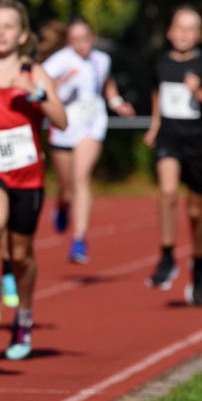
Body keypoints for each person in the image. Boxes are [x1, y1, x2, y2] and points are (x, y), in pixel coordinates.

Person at [0, 0, 66, 360]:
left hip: (27, 173)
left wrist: (37, 95)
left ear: (22, 34)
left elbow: (62, 120)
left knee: (22, 255)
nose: (2, 33)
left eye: (9, 26)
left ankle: (24, 317)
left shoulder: (34, 72)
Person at [143, 5, 202, 305]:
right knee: (167, 192)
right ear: (170, 32)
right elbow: (157, 93)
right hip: (170, 139)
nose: (183, 34)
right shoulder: (161, 63)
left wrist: (200, 93)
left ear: (199, 35)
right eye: (178, 28)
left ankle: (199, 263)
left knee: (195, 211)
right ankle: (167, 256)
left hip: (198, 143)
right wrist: (155, 125)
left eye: (190, 29)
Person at [44, 17, 135, 263]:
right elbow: (41, 86)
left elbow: (107, 84)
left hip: (91, 125)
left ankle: (79, 239)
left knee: (81, 178)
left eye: (84, 39)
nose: (80, 44)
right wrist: (61, 83)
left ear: (92, 37)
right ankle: (62, 205)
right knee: (67, 189)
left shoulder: (101, 60)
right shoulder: (59, 60)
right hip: (63, 127)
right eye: (75, 40)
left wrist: (117, 103)